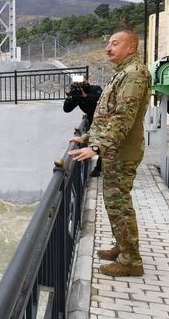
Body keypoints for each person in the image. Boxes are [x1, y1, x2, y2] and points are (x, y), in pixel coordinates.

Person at [67, 30, 151, 277]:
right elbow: (105, 115)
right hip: (114, 150)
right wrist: (87, 137)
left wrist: (96, 147)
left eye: (115, 43)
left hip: (122, 152)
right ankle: (122, 247)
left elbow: (122, 118)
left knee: (120, 204)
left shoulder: (134, 75)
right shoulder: (123, 74)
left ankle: (131, 261)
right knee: (114, 204)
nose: (108, 48)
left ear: (131, 48)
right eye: (108, 43)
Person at [63, 78, 103, 176]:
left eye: (83, 82)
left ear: (87, 80)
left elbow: (100, 99)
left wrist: (86, 96)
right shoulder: (78, 95)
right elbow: (67, 109)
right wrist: (69, 97)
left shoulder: (95, 89)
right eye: (79, 84)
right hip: (92, 122)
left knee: (101, 143)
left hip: (103, 120)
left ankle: (98, 168)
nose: (82, 85)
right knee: (96, 143)